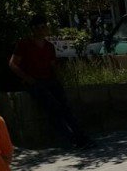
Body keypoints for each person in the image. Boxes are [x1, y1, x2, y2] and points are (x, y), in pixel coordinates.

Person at [9, 15, 92, 149]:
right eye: (40, 27)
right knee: (53, 108)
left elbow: (53, 66)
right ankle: (72, 140)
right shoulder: (24, 44)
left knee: (66, 107)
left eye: (44, 26)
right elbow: (12, 64)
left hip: (50, 80)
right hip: (34, 83)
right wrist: (27, 78)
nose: (43, 30)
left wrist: (59, 78)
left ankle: (82, 137)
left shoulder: (49, 46)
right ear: (33, 29)